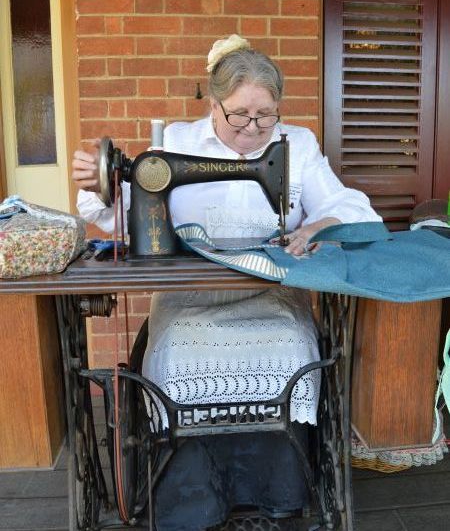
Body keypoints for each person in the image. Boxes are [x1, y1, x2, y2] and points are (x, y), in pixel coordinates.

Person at [73, 34, 382, 530]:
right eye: (240, 114)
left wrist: (315, 226)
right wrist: (98, 184)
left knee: (292, 351)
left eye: (266, 115)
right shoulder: (175, 142)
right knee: (175, 356)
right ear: (214, 103)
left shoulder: (296, 145)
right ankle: (189, 502)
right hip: (188, 302)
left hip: (273, 296)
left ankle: (280, 495)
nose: (254, 128)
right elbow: (118, 214)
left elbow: (351, 207)